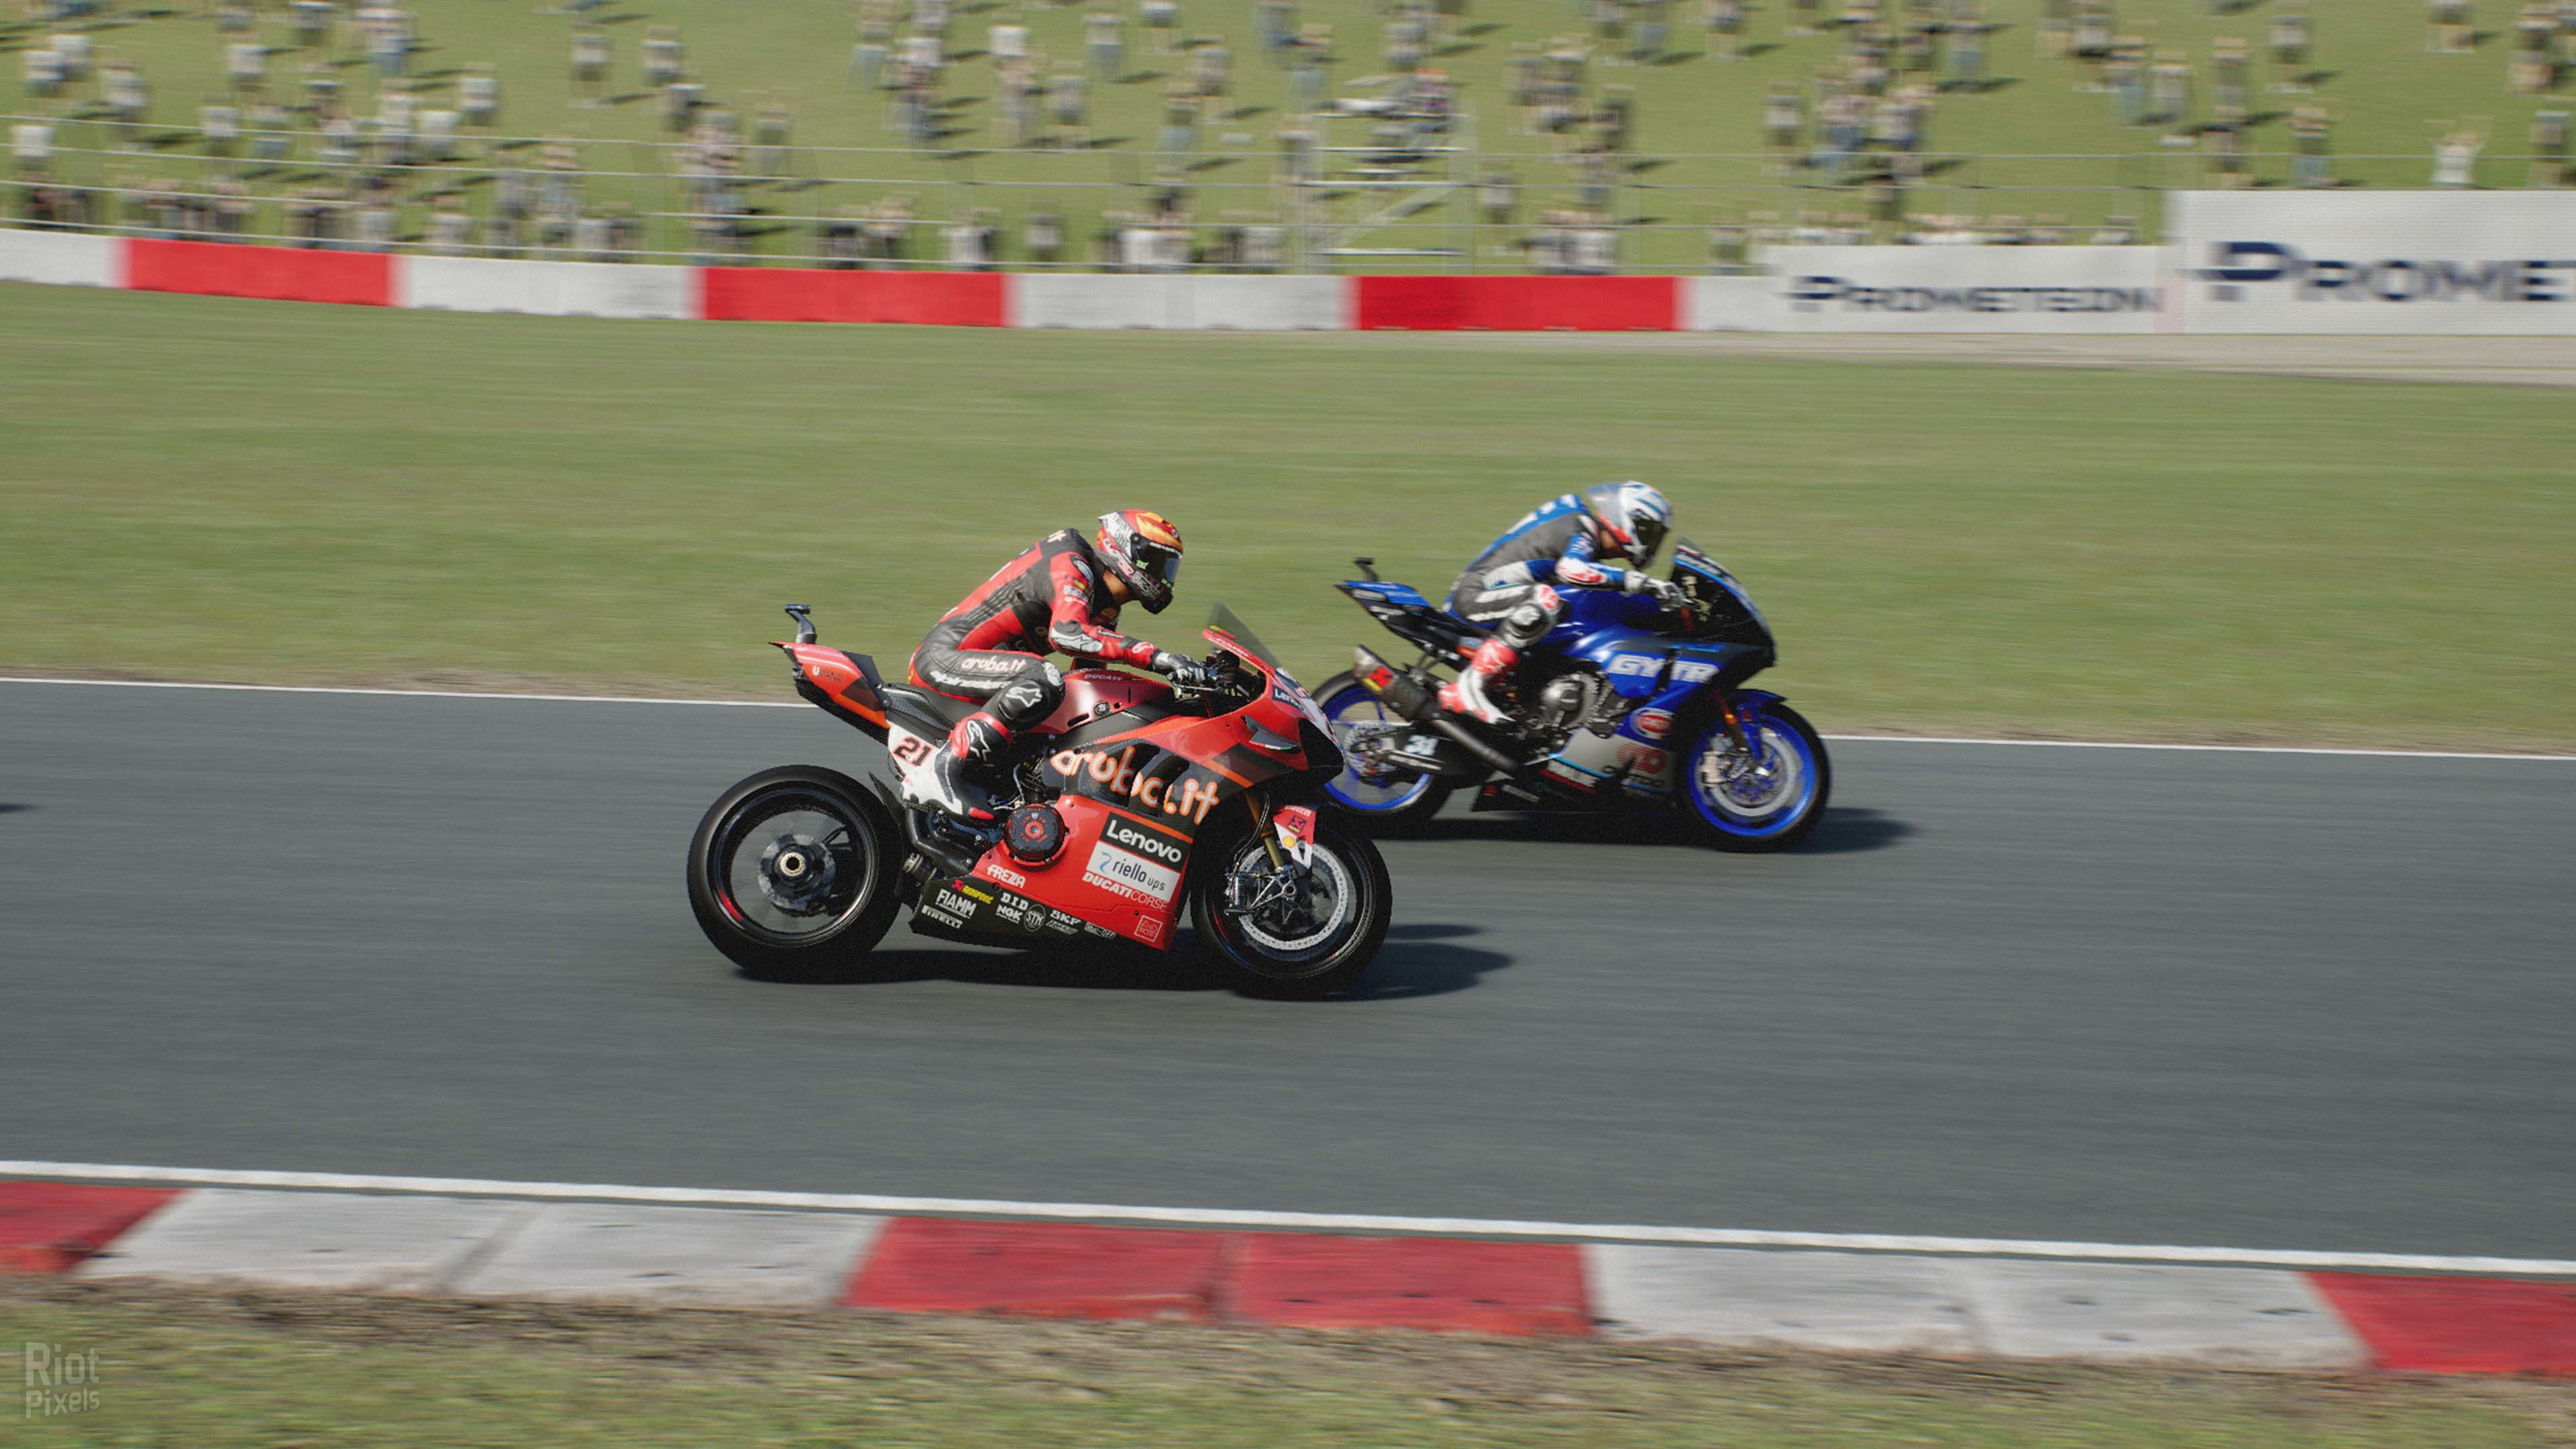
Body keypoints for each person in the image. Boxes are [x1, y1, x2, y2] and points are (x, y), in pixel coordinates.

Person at [908, 512, 1205, 818]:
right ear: (1128, 551)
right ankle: (943, 769)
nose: (1165, 577)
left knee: (1068, 703)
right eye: (1159, 564)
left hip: (984, 675)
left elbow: (1090, 677)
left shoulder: (1104, 604)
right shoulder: (1070, 562)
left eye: (1170, 568)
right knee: (1044, 678)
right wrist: (1158, 657)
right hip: (944, 659)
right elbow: (1067, 633)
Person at [1438, 483, 1683, 727]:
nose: (1653, 542)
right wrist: (1643, 583)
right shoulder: (1582, 527)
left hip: (1494, 600)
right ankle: (1469, 688)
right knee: (1545, 599)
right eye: (1650, 532)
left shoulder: (1584, 536)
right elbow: (1573, 570)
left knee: (1565, 609)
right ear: (1628, 520)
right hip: (1475, 597)